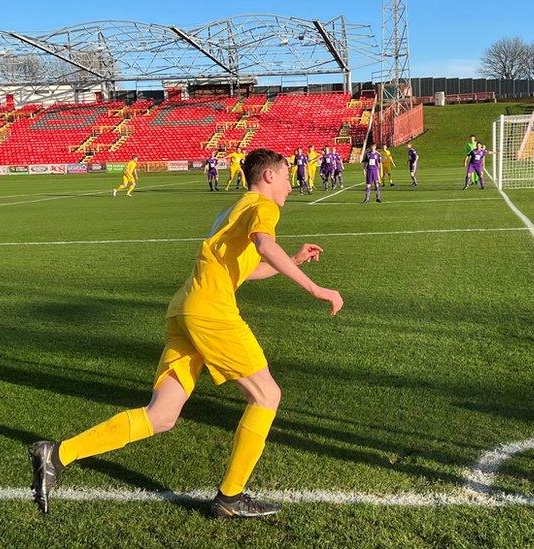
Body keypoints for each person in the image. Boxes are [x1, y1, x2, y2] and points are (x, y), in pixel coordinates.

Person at [28, 148, 344, 518]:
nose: (291, 185)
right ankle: (230, 496)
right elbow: (264, 245)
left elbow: (244, 269)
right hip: (211, 312)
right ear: (269, 177)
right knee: (267, 395)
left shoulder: (233, 210)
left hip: (184, 309)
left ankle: (57, 454)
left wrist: (293, 260)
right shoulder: (263, 206)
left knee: (161, 415)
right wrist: (316, 289)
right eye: (287, 177)